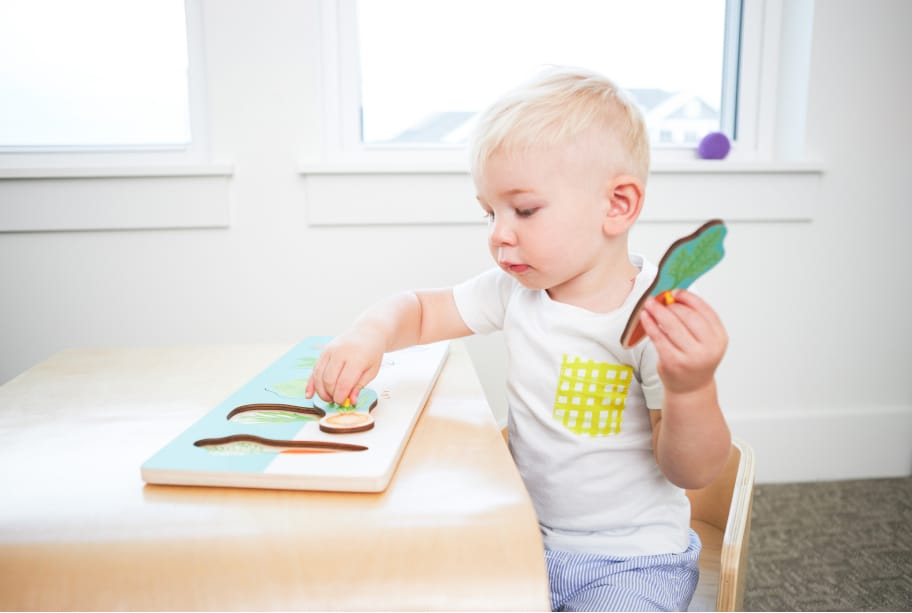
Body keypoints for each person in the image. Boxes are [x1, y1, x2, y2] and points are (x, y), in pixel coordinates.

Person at [306, 66, 731, 612]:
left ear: (617, 205)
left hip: (635, 560)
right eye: (489, 213)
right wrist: (368, 333)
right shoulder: (515, 291)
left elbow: (691, 471)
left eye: (524, 210)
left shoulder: (654, 318)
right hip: (526, 537)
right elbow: (418, 310)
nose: (499, 234)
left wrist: (692, 390)